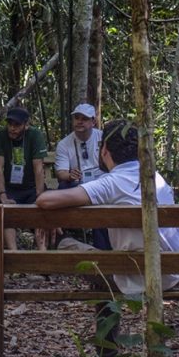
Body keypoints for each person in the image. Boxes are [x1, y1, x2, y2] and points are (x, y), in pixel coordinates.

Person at [37, 119, 179, 357]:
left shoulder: (113, 182)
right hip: (169, 272)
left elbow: (46, 200)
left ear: (104, 151)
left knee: (70, 250)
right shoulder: (154, 177)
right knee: (105, 273)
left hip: (136, 276)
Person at [0, 106, 48, 250]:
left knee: (42, 212)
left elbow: (39, 168)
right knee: (6, 212)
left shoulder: (35, 135)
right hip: (11, 188)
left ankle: (43, 254)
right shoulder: (0, 136)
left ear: (26, 125)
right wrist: (2, 195)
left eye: (17, 125)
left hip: (32, 187)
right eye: (10, 124)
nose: (12, 128)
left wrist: (40, 196)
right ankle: (13, 253)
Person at [53, 103, 109, 250]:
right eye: (77, 118)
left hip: (101, 184)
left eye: (84, 118)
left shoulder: (103, 138)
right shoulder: (64, 144)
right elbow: (61, 172)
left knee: (104, 205)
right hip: (78, 185)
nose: (79, 121)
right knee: (63, 187)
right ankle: (60, 238)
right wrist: (70, 175)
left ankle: (103, 250)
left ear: (93, 122)